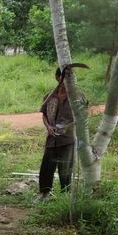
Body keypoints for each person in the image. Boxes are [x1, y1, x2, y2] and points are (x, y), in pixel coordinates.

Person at [37, 66, 86, 202]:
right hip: (51, 138)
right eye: (65, 77)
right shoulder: (49, 96)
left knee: (65, 168)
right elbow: (44, 115)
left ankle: (65, 196)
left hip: (67, 139)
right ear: (57, 78)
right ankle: (44, 194)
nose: (67, 80)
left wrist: (68, 127)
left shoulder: (77, 96)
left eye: (70, 77)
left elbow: (82, 117)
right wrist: (48, 127)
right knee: (47, 167)